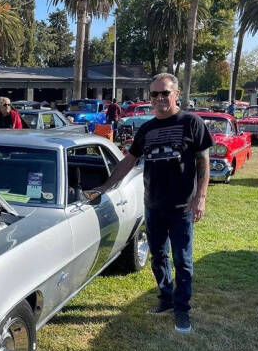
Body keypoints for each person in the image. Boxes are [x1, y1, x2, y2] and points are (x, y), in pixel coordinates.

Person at [84, 73, 213, 334]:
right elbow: (128, 162)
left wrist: (201, 198)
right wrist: (104, 187)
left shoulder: (191, 123)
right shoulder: (147, 129)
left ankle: (182, 310)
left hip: (182, 208)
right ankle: (166, 298)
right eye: (154, 94)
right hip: (152, 206)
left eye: (165, 93)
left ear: (176, 94)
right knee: (158, 256)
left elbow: (203, 162)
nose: (159, 99)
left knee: (183, 261)